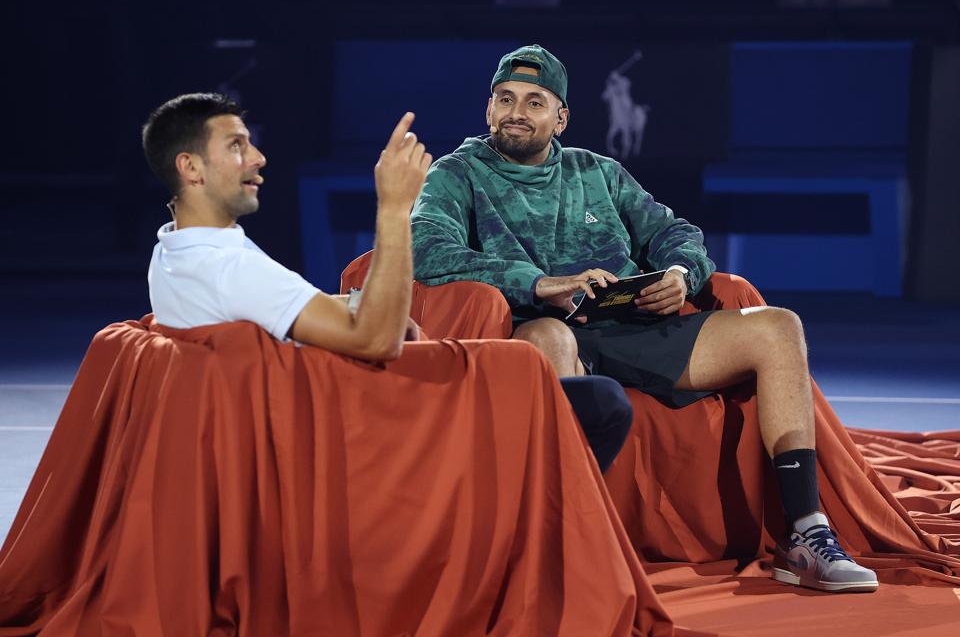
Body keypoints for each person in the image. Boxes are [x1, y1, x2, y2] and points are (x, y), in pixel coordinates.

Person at [409, 45, 879, 593]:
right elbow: (426, 249)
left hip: (632, 326)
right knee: (550, 338)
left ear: (560, 118)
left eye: (535, 102)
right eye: (506, 99)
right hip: (541, 329)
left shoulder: (598, 172)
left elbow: (675, 232)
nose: (517, 112)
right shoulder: (456, 174)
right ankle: (557, 543)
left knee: (779, 327)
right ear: (489, 109)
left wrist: (680, 273)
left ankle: (804, 533)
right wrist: (537, 283)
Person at [142, 92, 632, 472]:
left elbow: (283, 306)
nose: (258, 157)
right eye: (236, 146)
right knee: (601, 403)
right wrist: (395, 207)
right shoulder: (231, 269)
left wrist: (354, 303)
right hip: (372, 428)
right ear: (190, 167)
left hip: (334, 406)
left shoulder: (176, 250)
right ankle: (544, 536)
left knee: (532, 370)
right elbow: (376, 340)